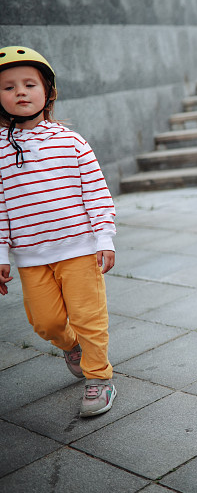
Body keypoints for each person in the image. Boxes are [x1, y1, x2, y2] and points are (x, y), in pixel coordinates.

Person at [0, 46, 117, 418]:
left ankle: (98, 377)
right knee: (45, 322)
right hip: (31, 255)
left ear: (47, 92)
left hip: (79, 249)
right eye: (8, 87)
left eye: (29, 84)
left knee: (88, 318)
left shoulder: (71, 142)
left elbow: (96, 192)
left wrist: (104, 237)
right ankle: (72, 347)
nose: (20, 92)